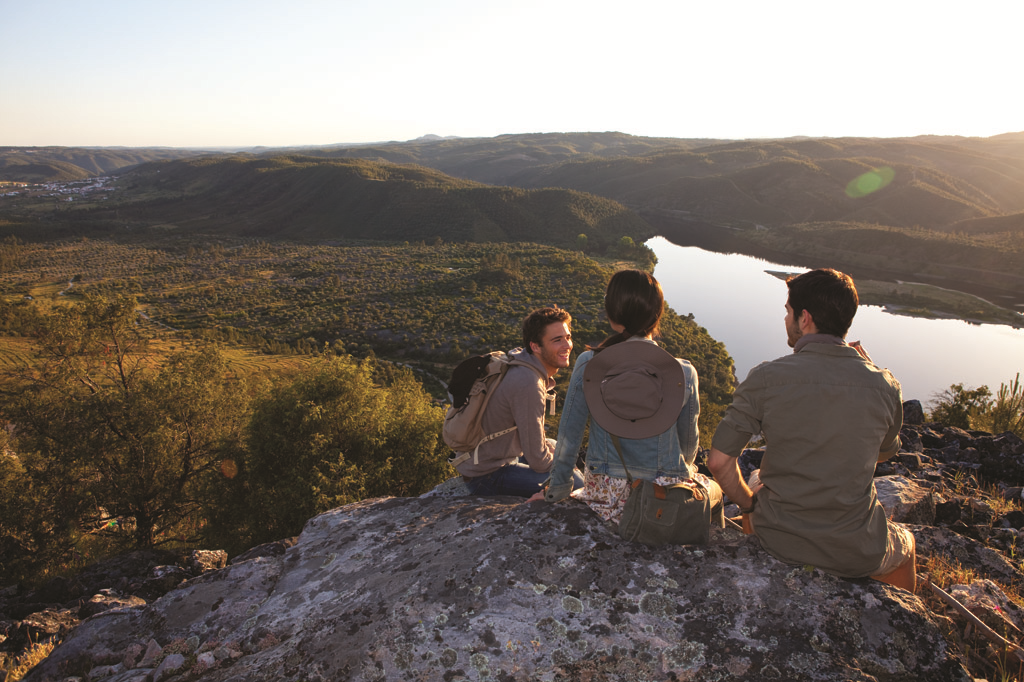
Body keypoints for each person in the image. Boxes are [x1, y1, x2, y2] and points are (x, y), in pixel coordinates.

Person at [707, 268, 915, 591]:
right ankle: (899, 619)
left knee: (756, 479)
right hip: (855, 548)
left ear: (805, 319)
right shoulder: (884, 385)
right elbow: (882, 454)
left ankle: (758, 578)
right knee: (908, 545)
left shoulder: (767, 377)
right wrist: (871, 372)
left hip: (779, 539)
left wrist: (748, 505)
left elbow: (719, 462)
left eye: (788, 312)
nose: (786, 319)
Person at [540, 270, 723, 532]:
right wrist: (685, 472)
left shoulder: (589, 364)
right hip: (660, 503)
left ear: (613, 315)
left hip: (605, 500)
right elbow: (688, 445)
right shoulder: (683, 372)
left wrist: (557, 490)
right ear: (656, 314)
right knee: (714, 490)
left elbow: (569, 436)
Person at [457, 306, 584, 497]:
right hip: (487, 476)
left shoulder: (521, 362)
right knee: (577, 482)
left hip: (491, 457)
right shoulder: (528, 382)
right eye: (557, 340)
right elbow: (538, 461)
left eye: (567, 337)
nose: (567, 345)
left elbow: (534, 441)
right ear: (535, 346)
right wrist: (565, 468)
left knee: (554, 445)